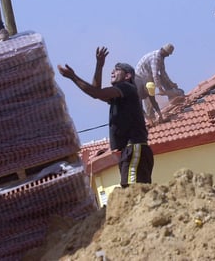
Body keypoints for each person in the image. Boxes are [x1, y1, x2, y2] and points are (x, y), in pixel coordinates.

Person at [58, 47, 154, 186]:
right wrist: (99, 65)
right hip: (131, 150)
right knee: (134, 191)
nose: (112, 71)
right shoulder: (120, 97)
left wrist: (73, 77)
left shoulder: (127, 88)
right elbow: (96, 92)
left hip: (134, 148)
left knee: (132, 190)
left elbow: (96, 93)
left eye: (117, 69)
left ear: (127, 76)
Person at [134, 43, 184, 122]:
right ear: (164, 51)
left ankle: (173, 96)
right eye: (168, 54)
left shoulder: (161, 58)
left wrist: (171, 84)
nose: (168, 56)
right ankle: (151, 117)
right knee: (148, 98)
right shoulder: (155, 58)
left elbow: (163, 73)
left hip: (148, 75)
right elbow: (155, 75)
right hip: (141, 76)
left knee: (157, 84)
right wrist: (160, 88)